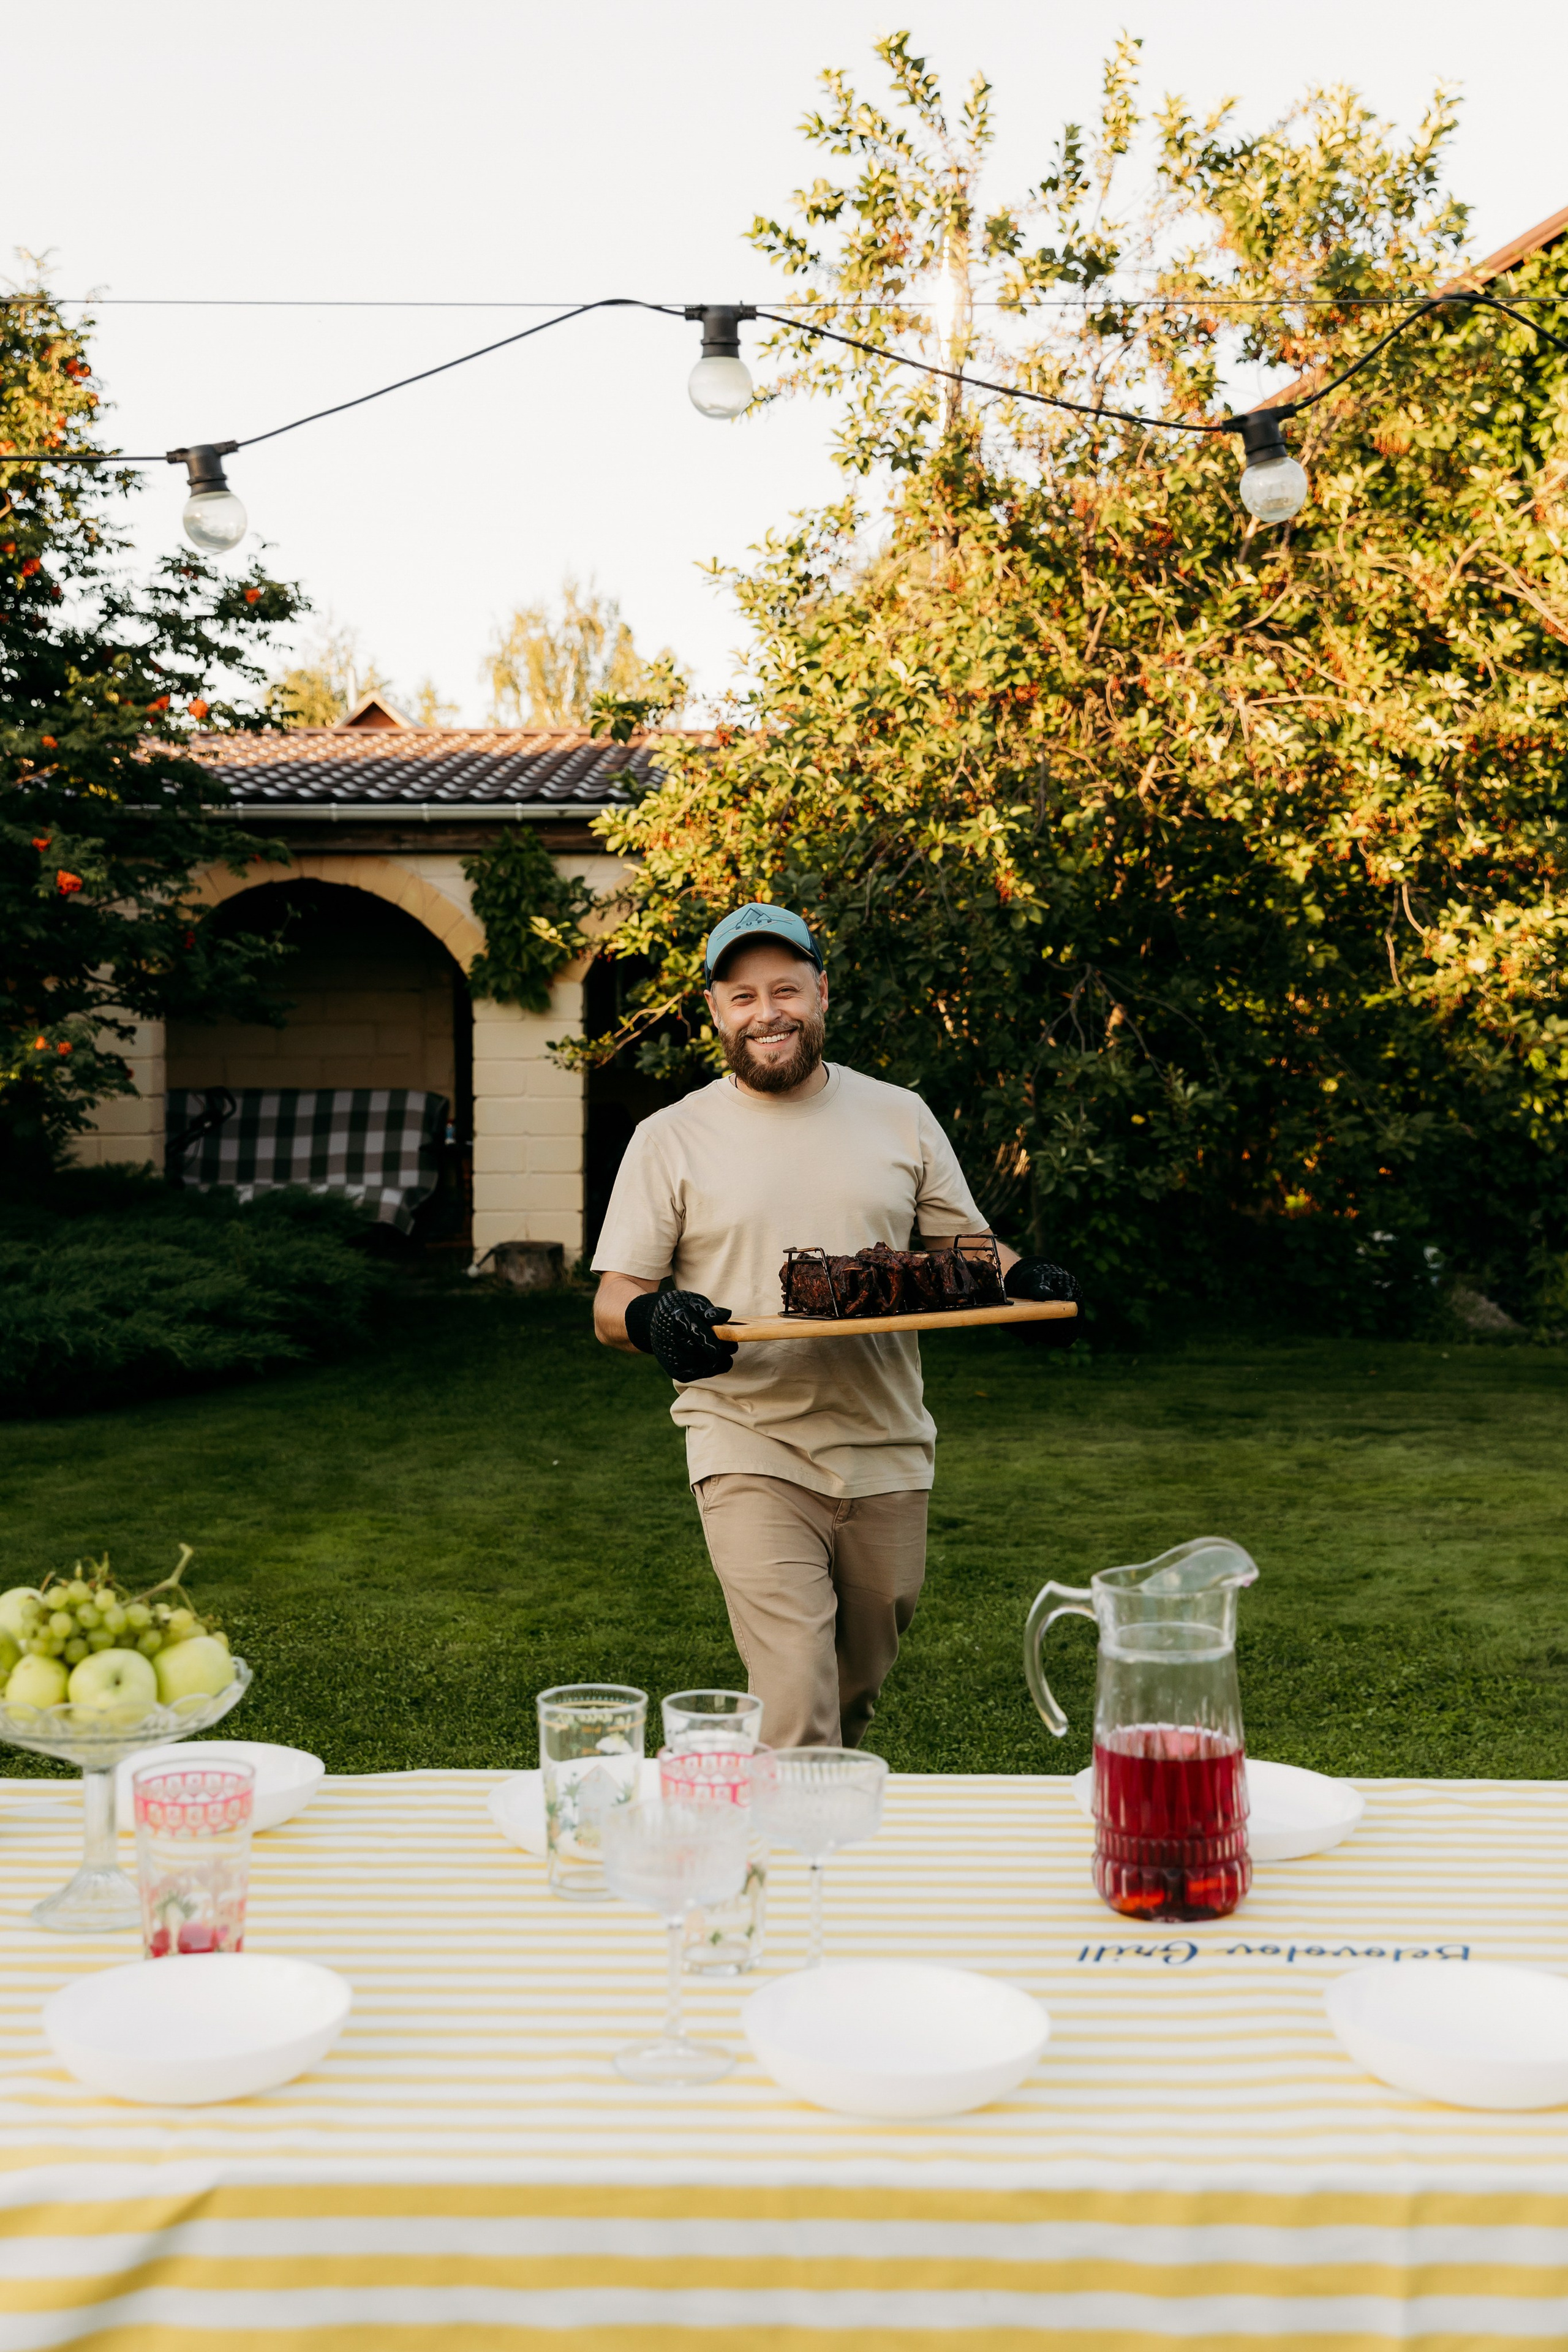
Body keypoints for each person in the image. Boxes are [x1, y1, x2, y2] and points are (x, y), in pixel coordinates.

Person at [591, 903, 1081, 1749]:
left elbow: (964, 1247)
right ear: (715, 1011)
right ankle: (774, 1865)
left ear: (822, 994)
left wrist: (1025, 1283)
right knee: (794, 1691)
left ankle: (815, 1827)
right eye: (742, 996)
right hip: (748, 1441)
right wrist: (653, 1315)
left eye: (786, 989)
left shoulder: (899, 1115)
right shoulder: (668, 1138)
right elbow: (612, 1301)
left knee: (851, 1692)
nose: (766, 1011)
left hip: (886, 1440)